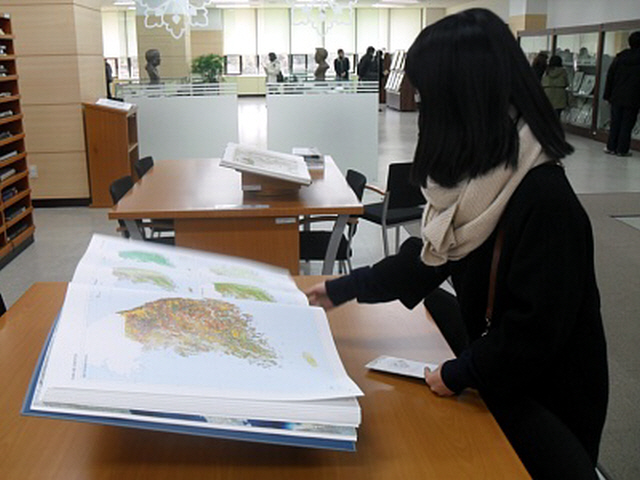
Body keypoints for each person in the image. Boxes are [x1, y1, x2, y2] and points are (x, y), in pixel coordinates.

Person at [305, 8, 608, 480]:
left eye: (429, 97)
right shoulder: (482, 179)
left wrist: (457, 374)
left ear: (462, 99)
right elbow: (429, 257)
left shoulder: (544, 200)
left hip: (542, 408)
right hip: (496, 382)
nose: (423, 111)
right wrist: (341, 288)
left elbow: (532, 336)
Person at [603, 31, 640, 157]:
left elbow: (610, 77)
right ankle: (622, 149)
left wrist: (607, 95)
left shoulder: (619, 58)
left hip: (616, 96)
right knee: (627, 124)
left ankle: (611, 146)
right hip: (633, 97)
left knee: (615, 123)